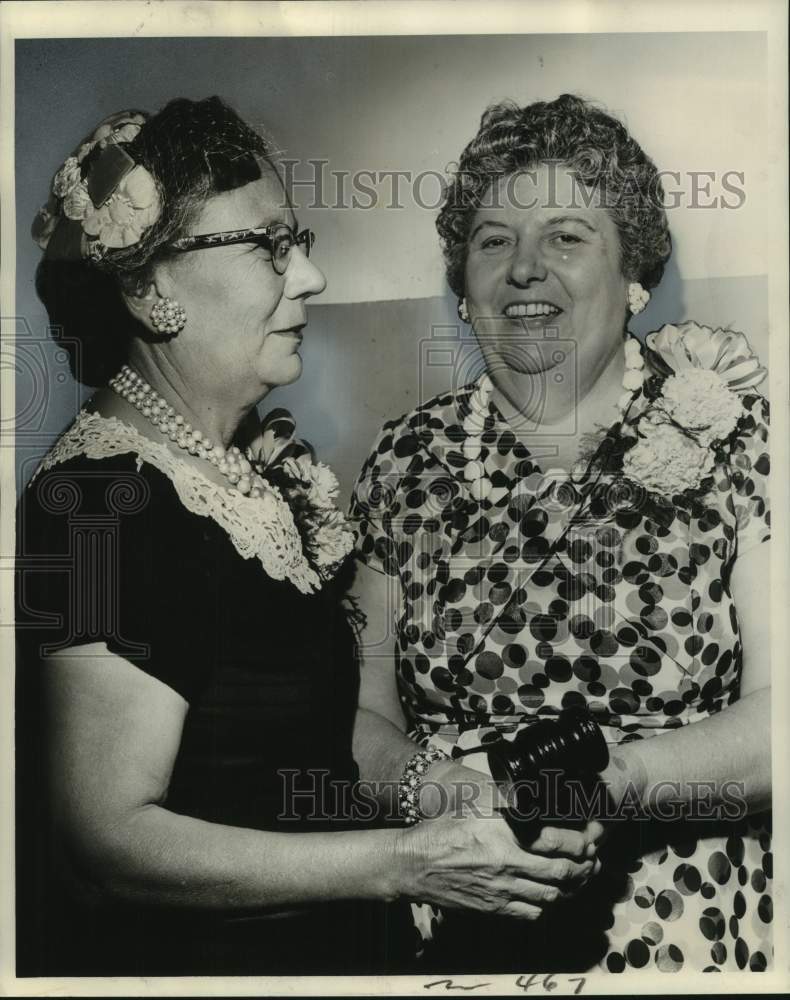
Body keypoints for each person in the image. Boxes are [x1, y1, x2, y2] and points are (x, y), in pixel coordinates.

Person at [15, 96, 602, 977]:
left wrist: (451, 796)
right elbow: (103, 846)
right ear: (148, 287)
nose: (311, 281)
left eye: (301, 246)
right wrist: (407, 863)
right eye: (267, 248)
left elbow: (311, 736)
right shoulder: (91, 508)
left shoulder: (253, 472)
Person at [350, 94, 772, 973]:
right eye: (494, 241)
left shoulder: (740, 433)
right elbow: (360, 716)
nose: (524, 269)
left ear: (636, 276)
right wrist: (433, 790)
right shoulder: (404, 457)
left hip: (681, 926)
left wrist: (612, 786)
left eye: (568, 236)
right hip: (457, 912)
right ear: (462, 287)